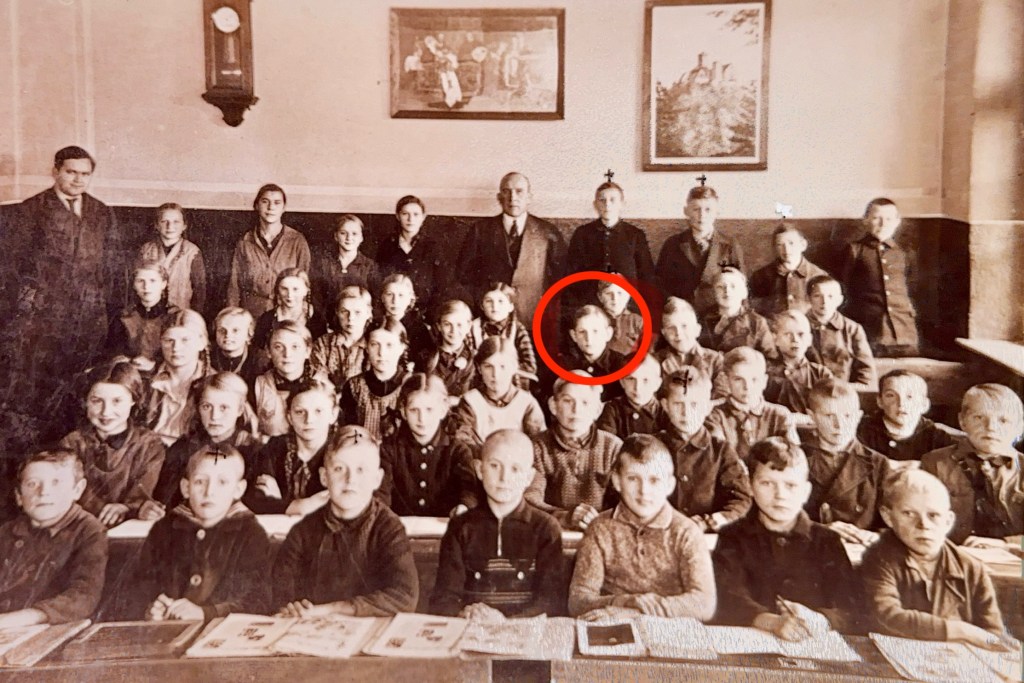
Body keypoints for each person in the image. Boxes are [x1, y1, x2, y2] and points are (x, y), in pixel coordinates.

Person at [0, 146, 124, 452]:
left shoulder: (102, 212)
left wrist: (110, 312)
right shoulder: (30, 210)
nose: (78, 179)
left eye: (85, 174)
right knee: (41, 393)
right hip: (43, 324)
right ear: (55, 171)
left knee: (81, 391)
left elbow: (112, 266)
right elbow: (12, 266)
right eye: (71, 172)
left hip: (89, 321)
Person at [712, 438, 862, 637]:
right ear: (750, 487)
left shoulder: (827, 541)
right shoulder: (732, 536)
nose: (780, 495)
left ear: (806, 492)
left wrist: (822, 619)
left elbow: (852, 609)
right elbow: (726, 598)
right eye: (767, 483)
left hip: (813, 641)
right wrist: (770, 621)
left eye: (790, 485)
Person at [272, 426, 419, 617]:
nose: (350, 480)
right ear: (324, 477)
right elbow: (280, 591)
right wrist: (292, 609)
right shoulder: (304, 532)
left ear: (377, 479)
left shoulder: (388, 528)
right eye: (339, 469)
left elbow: (405, 596)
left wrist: (332, 609)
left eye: (361, 470)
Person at [568, 434, 717, 621]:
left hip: (668, 629)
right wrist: (624, 602)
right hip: (611, 624)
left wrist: (636, 612)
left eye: (654, 480)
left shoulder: (687, 532)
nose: (644, 491)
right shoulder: (599, 528)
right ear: (617, 481)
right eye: (633, 479)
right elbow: (578, 601)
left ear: (670, 485)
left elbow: (704, 603)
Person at [862, 469, 1013, 648]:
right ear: (888, 517)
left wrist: (998, 643)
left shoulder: (971, 568)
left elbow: (992, 634)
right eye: (909, 513)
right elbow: (887, 616)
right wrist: (960, 630)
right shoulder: (879, 559)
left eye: (933, 515)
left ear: (948, 521)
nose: (923, 525)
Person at [430, 429, 564, 620]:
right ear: (479, 469)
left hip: (525, 631)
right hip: (471, 628)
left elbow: (550, 602)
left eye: (515, 469)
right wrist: (462, 614)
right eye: (494, 466)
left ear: (529, 477)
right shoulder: (460, 527)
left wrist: (505, 623)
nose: (504, 478)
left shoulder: (545, 528)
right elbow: (443, 598)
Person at [132, 445, 271, 621]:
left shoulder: (250, 533)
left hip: (220, 630)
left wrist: (206, 613)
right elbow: (140, 585)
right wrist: (152, 607)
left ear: (238, 489)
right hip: (169, 628)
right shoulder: (164, 530)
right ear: (185, 487)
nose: (209, 492)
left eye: (222, 482)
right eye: (200, 482)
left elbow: (257, 601)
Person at [0, 450, 108, 628]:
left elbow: (83, 595)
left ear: (77, 490)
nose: (44, 492)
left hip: (53, 627)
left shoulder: (89, 531)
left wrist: (24, 618)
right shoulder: (6, 532)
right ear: (19, 496)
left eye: (56, 483)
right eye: (32, 484)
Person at [60, 359, 166, 527]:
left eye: (117, 401)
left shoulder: (149, 445)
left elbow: (142, 494)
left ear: (133, 400)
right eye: (96, 401)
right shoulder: (72, 444)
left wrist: (130, 508)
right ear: (85, 401)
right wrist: (100, 509)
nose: (106, 411)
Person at [457, 172, 566, 323]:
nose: (512, 197)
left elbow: (561, 278)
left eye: (519, 191)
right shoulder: (480, 230)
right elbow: (463, 275)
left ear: (529, 197)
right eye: (506, 191)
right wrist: (489, 291)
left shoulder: (547, 232)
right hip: (492, 317)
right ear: (499, 197)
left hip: (534, 317)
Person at [921, 383, 1024, 544]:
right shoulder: (935, 463)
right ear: (962, 421)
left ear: (1019, 427)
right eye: (979, 418)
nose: (990, 427)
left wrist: (1006, 544)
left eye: (1003, 420)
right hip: (953, 552)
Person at [654, 368, 751, 530]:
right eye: (678, 404)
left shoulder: (721, 450)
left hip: (706, 535)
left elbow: (742, 499)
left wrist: (714, 520)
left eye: (694, 404)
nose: (686, 413)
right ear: (665, 405)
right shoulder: (653, 446)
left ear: (707, 407)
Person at [149, 372, 260, 512]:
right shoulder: (183, 449)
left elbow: (257, 504)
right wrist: (154, 510)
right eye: (206, 406)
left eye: (224, 408)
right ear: (198, 408)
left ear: (239, 410)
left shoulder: (254, 451)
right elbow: (164, 500)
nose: (214, 416)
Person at [526, 376, 622, 530]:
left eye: (585, 402)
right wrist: (564, 517)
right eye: (567, 401)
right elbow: (530, 499)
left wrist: (597, 520)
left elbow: (625, 501)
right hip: (551, 531)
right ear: (553, 406)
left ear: (597, 410)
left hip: (603, 531)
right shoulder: (537, 447)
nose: (576, 410)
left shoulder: (613, 447)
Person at [802, 378, 890, 544]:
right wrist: (819, 531)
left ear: (859, 416)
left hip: (860, 549)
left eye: (847, 415)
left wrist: (876, 537)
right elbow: (780, 520)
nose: (839, 425)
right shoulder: (797, 458)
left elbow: (890, 522)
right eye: (829, 416)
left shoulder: (878, 463)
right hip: (810, 547)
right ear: (812, 417)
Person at [378, 374, 475, 517]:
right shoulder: (389, 450)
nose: (422, 418)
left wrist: (464, 506)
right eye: (414, 410)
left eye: (429, 409)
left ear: (443, 410)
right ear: (403, 411)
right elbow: (380, 495)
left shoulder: (457, 451)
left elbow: (469, 490)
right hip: (398, 528)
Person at [839, 198, 919, 356]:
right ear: (865, 220)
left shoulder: (904, 253)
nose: (883, 224)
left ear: (897, 222)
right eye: (876, 218)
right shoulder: (854, 251)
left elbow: (912, 287)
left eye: (889, 219)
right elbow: (844, 287)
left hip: (904, 328)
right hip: (870, 328)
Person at [248, 382, 337, 516]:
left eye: (318, 411)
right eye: (300, 412)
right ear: (289, 417)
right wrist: (301, 507)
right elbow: (256, 498)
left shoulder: (343, 452)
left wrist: (280, 503)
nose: (309, 420)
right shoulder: (275, 448)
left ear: (333, 415)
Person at [655, 184, 744, 315]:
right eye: (696, 209)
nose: (702, 215)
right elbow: (659, 283)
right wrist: (672, 302)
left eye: (708, 209)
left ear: (717, 212)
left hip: (719, 314)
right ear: (686, 211)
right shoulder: (673, 244)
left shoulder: (730, 245)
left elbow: (741, 286)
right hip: (683, 314)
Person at [226, 184, 311, 319]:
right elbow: (234, 286)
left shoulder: (297, 240)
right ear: (256, 206)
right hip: (252, 315)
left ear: (284, 208)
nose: (271, 207)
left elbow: (305, 281)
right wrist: (232, 316)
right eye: (265, 202)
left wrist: (301, 316)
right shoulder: (244, 242)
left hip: (286, 314)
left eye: (277, 203)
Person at [566, 180, 656, 299]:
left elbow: (646, 274)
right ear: (595, 204)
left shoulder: (635, 235)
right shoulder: (582, 234)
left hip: (626, 300)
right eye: (602, 200)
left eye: (613, 200)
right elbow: (572, 272)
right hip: (591, 299)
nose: (607, 204)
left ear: (622, 204)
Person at [706, 347, 798, 463]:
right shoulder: (715, 415)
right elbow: (718, 456)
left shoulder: (780, 415)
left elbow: (794, 458)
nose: (747, 387)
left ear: (764, 381)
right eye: (738, 379)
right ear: (726, 380)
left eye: (754, 379)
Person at [451, 337, 546, 449]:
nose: (495, 374)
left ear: (514, 367)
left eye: (502, 366)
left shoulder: (526, 404)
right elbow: (463, 444)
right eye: (488, 366)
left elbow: (538, 445)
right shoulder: (471, 402)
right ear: (479, 369)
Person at [858, 369, 957, 463]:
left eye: (910, 397)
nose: (901, 403)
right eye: (891, 395)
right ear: (880, 401)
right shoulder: (862, 430)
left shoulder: (937, 437)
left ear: (924, 405)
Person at [145, 309, 213, 446]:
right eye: (169, 340)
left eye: (185, 340)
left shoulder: (214, 384)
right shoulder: (147, 380)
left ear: (202, 342)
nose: (176, 348)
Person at [253, 321, 329, 439]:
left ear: (307, 351)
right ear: (268, 351)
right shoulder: (259, 385)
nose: (287, 354)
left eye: (295, 347)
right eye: (278, 347)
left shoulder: (324, 385)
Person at [339, 321, 409, 441]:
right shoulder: (354, 387)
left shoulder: (410, 385)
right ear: (366, 347)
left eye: (389, 345)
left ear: (402, 348)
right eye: (374, 344)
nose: (381, 353)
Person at [106, 259, 180, 373]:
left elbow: (182, 354)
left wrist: (154, 365)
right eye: (140, 281)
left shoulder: (175, 316)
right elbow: (113, 350)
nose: (146, 286)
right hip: (129, 373)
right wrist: (124, 361)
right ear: (134, 285)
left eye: (152, 281)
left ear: (163, 284)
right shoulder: (124, 316)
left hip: (164, 373)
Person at [376, 196, 449, 312]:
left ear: (423, 217)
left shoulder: (433, 247)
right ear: (398, 216)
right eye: (405, 214)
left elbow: (442, 284)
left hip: (425, 310)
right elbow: (381, 281)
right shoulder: (387, 245)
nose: (410, 219)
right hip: (394, 308)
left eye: (416, 214)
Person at [137, 203, 206, 315]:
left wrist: (193, 317)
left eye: (176, 222)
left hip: (181, 313)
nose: (170, 226)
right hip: (151, 314)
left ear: (184, 225)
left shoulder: (192, 252)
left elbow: (199, 290)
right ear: (156, 225)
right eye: (164, 221)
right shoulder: (146, 250)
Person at [805, 275, 875, 387]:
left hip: (844, 391)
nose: (824, 301)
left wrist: (852, 391)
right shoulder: (800, 326)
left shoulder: (852, 329)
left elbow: (866, 371)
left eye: (830, 296)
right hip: (809, 391)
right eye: (817, 296)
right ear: (808, 298)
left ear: (840, 300)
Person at [655, 297, 727, 400]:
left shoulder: (715, 360)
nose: (678, 333)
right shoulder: (656, 362)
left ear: (697, 330)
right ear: (664, 333)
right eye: (671, 327)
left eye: (684, 326)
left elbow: (722, 397)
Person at [764, 310, 833, 417]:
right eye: (788, 334)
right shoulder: (766, 373)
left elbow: (829, 409)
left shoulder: (820, 373)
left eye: (801, 334)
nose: (795, 339)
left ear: (809, 340)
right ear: (775, 339)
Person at [469, 282, 537, 389]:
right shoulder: (473, 328)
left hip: (511, 385)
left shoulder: (517, 330)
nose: (495, 306)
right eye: (489, 301)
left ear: (510, 306)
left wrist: (503, 367)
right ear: (482, 306)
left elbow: (530, 366)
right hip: (480, 384)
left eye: (500, 301)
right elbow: (468, 360)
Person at [749, 224, 827, 316]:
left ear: (803, 245)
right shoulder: (760, 277)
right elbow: (755, 312)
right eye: (780, 244)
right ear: (775, 248)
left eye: (791, 243)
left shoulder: (819, 275)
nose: (786, 249)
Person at [310, 214, 381, 315]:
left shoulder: (370, 266)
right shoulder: (323, 264)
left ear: (361, 238)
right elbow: (316, 298)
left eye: (354, 233)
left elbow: (376, 301)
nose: (349, 237)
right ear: (336, 236)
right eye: (343, 233)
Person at [310, 286, 372, 392]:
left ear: (368, 313)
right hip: (328, 398)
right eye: (344, 311)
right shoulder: (323, 344)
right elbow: (318, 379)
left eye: (357, 312)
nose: (351, 318)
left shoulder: (375, 343)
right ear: (337, 312)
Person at [701, 268, 775, 356]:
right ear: (713, 293)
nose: (727, 290)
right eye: (720, 287)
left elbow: (771, 357)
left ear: (744, 292)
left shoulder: (756, 322)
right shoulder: (701, 319)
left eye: (733, 286)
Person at [560, 306, 628, 400]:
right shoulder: (565, 365)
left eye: (595, 331)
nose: (589, 338)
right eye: (582, 332)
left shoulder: (622, 365)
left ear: (608, 334)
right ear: (574, 336)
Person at [252, 269, 328, 352]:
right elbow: (260, 351)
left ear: (306, 291)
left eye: (295, 289)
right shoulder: (267, 319)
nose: (290, 295)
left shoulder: (317, 320)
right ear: (278, 290)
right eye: (284, 289)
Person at [597, 353, 665, 439]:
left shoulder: (664, 412)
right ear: (622, 382)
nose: (637, 387)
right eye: (631, 379)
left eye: (645, 380)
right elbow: (606, 442)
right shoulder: (612, 410)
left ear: (657, 384)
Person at [422, 300, 477, 402]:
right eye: (447, 324)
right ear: (439, 326)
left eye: (459, 325)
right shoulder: (426, 357)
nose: (453, 330)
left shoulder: (475, 359)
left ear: (469, 326)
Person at [209, 307, 268, 397]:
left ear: (248, 334)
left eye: (235, 330)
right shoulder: (208, 356)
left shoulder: (260, 360)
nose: (228, 335)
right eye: (222, 330)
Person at [378, 273, 433, 368]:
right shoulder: (375, 325)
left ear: (410, 299)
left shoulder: (419, 330)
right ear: (382, 297)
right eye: (389, 294)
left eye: (401, 295)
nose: (395, 301)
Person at [597, 280, 643, 357]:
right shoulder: (595, 320)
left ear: (628, 295)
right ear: (600, 297)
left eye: (619, 293)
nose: (615, 298)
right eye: (608, 293)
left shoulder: (638, 321)